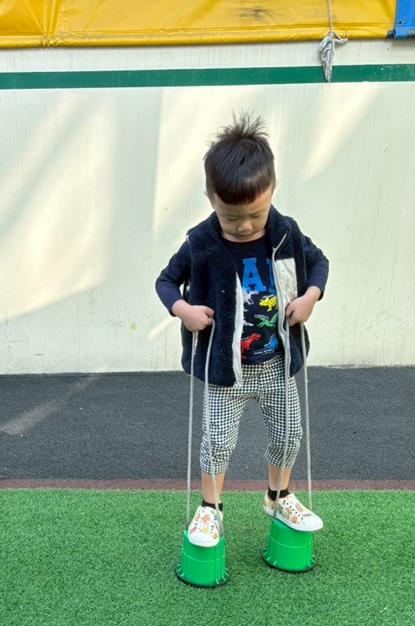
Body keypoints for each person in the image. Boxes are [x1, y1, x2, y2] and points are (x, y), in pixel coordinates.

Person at [155, 114, 329, 548]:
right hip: (225, 371)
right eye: (232, 217)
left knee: (289, 434)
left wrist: (310, 297)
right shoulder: (201, 242)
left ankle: (278, 496)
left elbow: (319, 263)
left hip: (276, 363)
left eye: (255, 213)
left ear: (272, 190)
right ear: (210, 198)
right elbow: (165, 281)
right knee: (217, 442)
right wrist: (183, 309)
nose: (246, 225)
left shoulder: (285, 232)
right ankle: (210, 508)